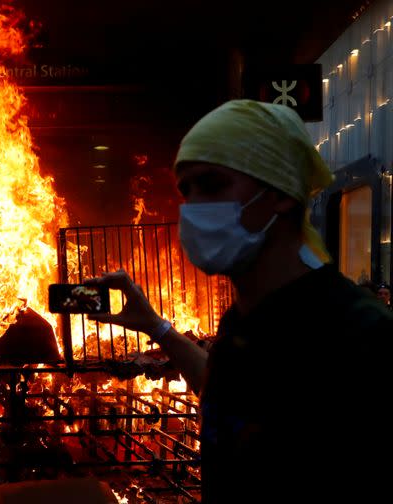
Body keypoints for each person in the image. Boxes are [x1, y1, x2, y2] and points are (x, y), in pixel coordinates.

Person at [86, 100, 392, 503]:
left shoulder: (360, 333)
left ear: (280, 194)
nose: (193, 207)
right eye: (186, 189)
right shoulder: (241, 323)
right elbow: (221, 389)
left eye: (212, 185)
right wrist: (154, 326)